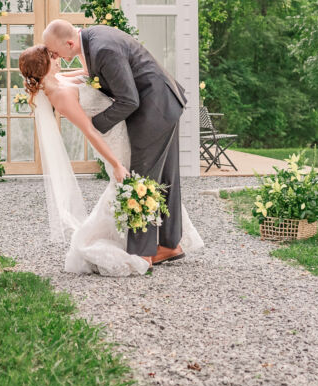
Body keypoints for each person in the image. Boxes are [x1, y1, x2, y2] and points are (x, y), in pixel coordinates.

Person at [18, 33, 202, 276]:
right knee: (136, 183)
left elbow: (89, 75)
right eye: (51, 56)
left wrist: (83, 63)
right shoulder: (59, 94)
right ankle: (144, 249)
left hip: (123, 129)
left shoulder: (58, 79)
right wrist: (115, 163)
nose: (57, 57)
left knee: (149, 179)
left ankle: (167, 243)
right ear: (45, 66)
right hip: (111, 139)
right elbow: (90, 131)